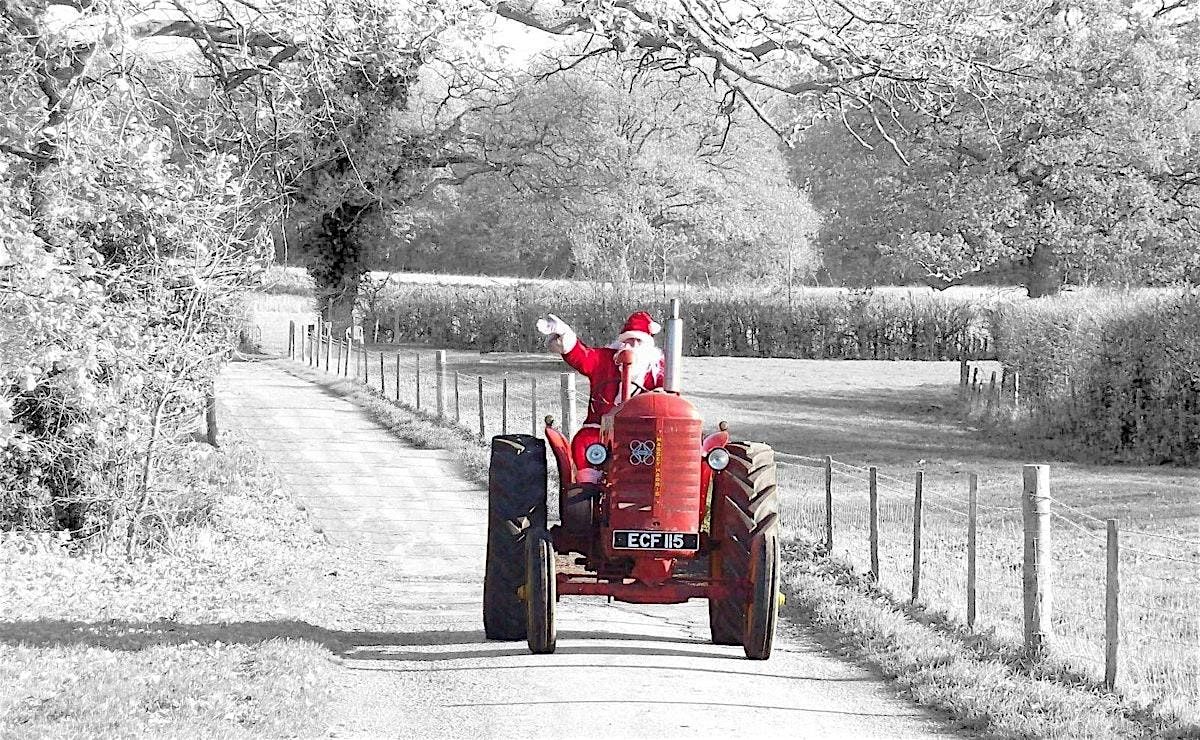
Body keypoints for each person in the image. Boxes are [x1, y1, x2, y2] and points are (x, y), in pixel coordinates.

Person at [536, 311, 666, 470]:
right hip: (600, 428)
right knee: (584, 443)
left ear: (647, 344)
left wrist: (659, 396)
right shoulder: (606, 360)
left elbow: (667, 397)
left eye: (637, 341)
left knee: (661, 451)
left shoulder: (656, 369)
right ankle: (588, 485)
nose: (631, 346)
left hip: (641, 432)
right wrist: (565, 334)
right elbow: (583, 356)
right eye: (627, 340)